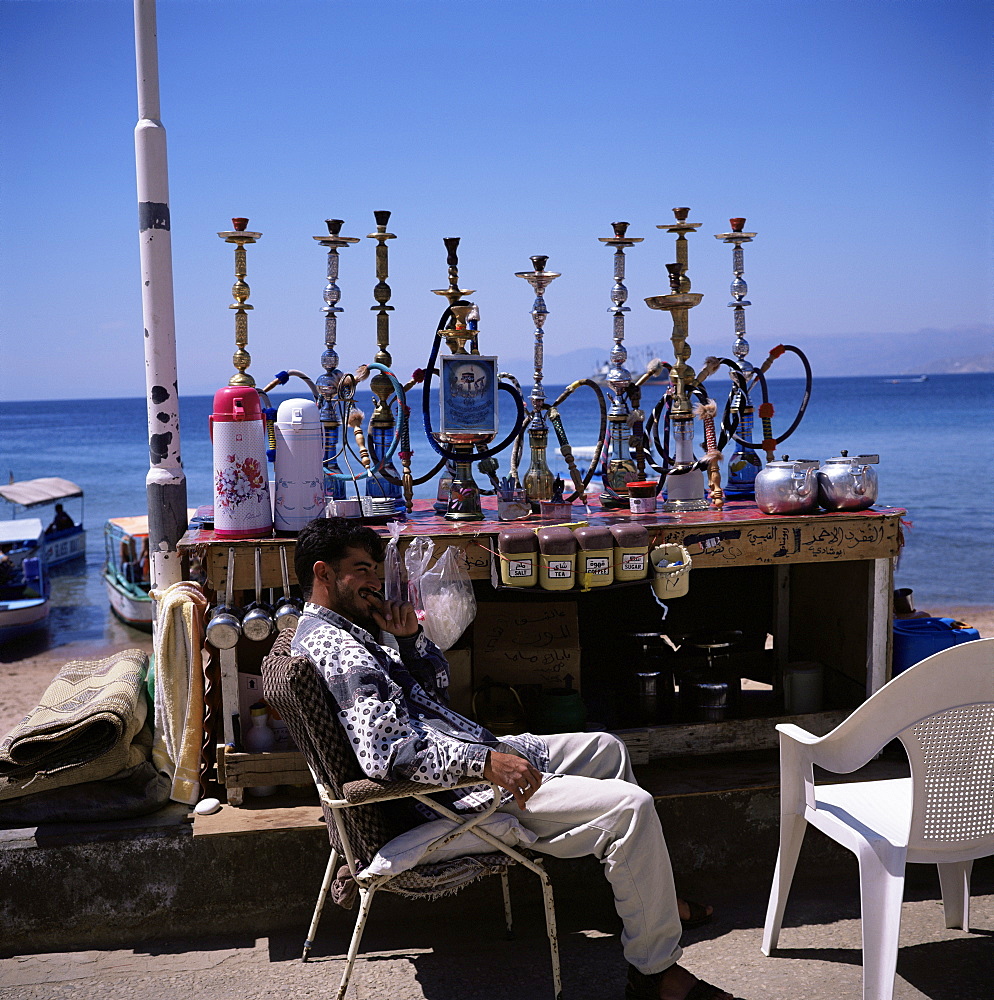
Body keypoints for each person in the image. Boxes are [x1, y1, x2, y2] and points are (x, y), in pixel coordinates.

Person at [291, 517, 745, 1000]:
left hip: (467, 759)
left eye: (375, 569)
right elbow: (390, 755)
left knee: (606, 749)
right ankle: (655, 974)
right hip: (452, 798)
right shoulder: (340, 648)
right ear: (324, 573)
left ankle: (641, 903)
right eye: (361, 570)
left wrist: (408, 644)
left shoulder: (353, 631)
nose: (374, 583)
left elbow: (434, 697)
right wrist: (486, 764)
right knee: (631, 808)